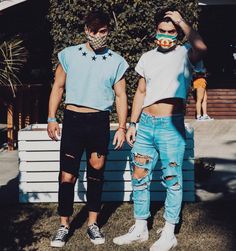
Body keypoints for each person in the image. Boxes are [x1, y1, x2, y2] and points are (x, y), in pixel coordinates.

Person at [113, 8, 207, 251]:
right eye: (162, 30)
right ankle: (141, 227)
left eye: (171, 31)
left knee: (172, 179)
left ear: (177, 33)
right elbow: (141, 92)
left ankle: (168, 232)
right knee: (140, 176)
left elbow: (202, 46)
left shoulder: (185, 52)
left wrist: (180, 20)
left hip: (171, 126)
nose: (166, 35)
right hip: (145, 124)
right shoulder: (147, 57)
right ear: (155, 31)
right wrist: (133, 123)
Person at [47, 10, 129, 247]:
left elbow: (121, 95)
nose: (97, 36)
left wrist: (122, 127)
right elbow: (58, 88)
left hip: (99, 122)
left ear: (108, 31)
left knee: (96, 170)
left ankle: (93, 223)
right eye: (93, 31)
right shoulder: (69, 55)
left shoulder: (117, 61)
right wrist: (52, 118)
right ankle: (64, 225)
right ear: (86, 30)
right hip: (73, 120)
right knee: (67, 175)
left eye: (102, 31)